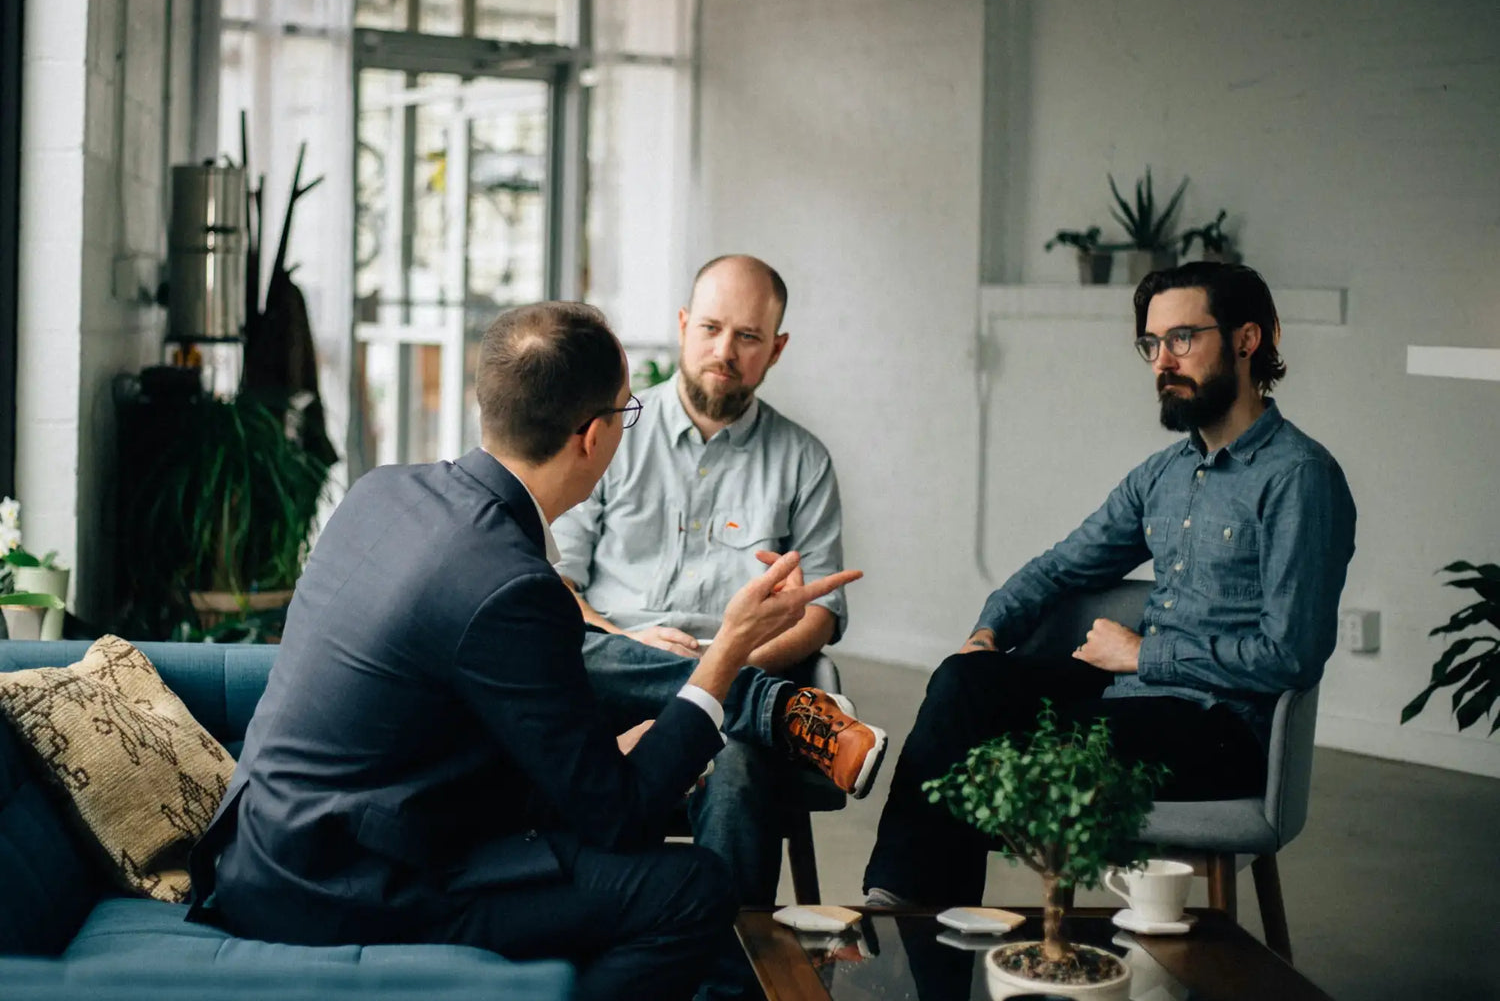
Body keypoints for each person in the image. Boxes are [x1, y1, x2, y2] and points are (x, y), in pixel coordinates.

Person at [187, 301, 883, 1001]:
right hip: (342, 885)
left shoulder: (383, 489)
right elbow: (621, 817)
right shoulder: (512, 585)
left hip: (272, 844)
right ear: (591, 436)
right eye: (625, 412)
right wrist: (728, 647)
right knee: (692, 889)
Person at [863, 262, 1357, 908]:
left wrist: (1141, 654)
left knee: (992, 747)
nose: (1161, 361)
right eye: (1151, 345)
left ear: (1247, 339)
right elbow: (1063, 565)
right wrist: (988, 633)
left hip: (1223, 728)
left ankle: (924, 931)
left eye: (1182, 338)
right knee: (963, 682)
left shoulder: (1300, 477)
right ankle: (898, 910)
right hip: (1133, 698)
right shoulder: (1164, 475)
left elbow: (1292, 654)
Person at [552, 254, 879, 920]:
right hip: (613, 665)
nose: (724, 351)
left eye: (749, 337)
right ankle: (781, 711)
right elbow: (557, 586)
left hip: (736, 686)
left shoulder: (803, 460)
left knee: (737, 771)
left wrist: (726, 665)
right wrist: (632, 643)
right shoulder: (610, 432)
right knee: (554, 646)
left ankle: (731, 973)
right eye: (710, 328)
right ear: (682, 326)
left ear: (777, 349)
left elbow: (820, 615)